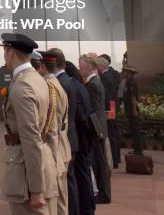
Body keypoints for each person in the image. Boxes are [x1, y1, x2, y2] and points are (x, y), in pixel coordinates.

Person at [0, 33, 57, 214]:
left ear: (10, 52)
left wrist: (36, 189)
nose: (4, 56)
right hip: (40, 165)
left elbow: (30, 138)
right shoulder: (38, 80)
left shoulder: (22, 86)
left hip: (26, 174)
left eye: (5, 51)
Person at [38, 50, 71, 215]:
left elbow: (52, 125)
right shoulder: (58, 85)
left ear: (43, 68)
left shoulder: (49, 87)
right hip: (62, 147)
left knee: (55, 203)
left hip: (55, 149)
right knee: (61, 200)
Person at [51, 49, 79, 215]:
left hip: (64, 138)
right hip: (71, 137)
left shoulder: (60, 83)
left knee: (66, 184)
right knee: (69, 181)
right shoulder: (70, 81)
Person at [79, 54, 111, 205]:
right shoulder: (95, 82)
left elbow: (92, 110)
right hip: (99, 127)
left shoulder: (92, 84)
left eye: (82, 66)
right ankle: (103, 193)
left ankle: (104, 194)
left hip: (96, 127)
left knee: (100, 162)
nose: (80, 69)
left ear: (89, 67)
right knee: (100, 161)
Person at [65, 61, 95, 215]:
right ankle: (88, 206)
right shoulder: (80, 85)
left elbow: (79, 116)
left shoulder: (73, 87)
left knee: (80, 175)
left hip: (80, 136)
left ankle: (85, 208)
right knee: (84, 174)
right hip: (84, 136)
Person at [97, 56, 121, 169]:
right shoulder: (111, 75)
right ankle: (116, 158)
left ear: (101, 66)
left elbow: (107, 96)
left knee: (111, 133)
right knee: (113, 133)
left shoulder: (105, 77)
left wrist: (108, 111)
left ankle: (114, 159)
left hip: (109, 107)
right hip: (113, 106)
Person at [122, 65, 144, 155]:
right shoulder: (128, 82)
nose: (124, 73)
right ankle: (136, 149)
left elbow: (133, 97)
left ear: (130, 73)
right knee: (133, 129)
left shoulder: (132, 83)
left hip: (132, 108)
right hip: (129, 108)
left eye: (126, 71)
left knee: (136, 130)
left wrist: (134, 110)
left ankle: (138, 150)